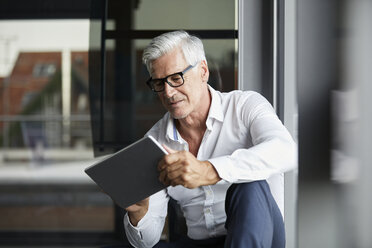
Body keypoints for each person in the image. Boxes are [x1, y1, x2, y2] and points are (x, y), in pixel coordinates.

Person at [123, 30, 297, 248]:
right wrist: (139, 213)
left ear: (203, 71)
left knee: (249, 186)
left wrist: (209, 170)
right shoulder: (155, 142)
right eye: (159, 83)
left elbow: (286, 151)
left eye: (176, 78)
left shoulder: (245, 107)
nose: (168, 93)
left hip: (260, 236)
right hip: (198, 243)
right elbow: (147, 241)